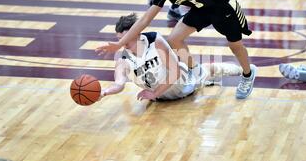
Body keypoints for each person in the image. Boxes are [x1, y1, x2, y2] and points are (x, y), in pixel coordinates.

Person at [97, 0, 257, 99]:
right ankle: (196, 71)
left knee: (235, 46)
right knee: (174, 39)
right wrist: (119, 44)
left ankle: (248, 74)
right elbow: (146, 18)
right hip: (201, 9)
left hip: (223, 8)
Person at [99, 13, 243, 101]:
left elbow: (175, 73)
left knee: (208, 71)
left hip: (184, 83)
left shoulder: (155, 41)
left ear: (136, 33)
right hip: (161, 97)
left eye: (125, 39)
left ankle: (244, 70)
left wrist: (155, 93)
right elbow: (119, 84)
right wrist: (105, 92)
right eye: (119, 39)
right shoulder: (122, 60)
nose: (122, 43)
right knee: (207, 74)